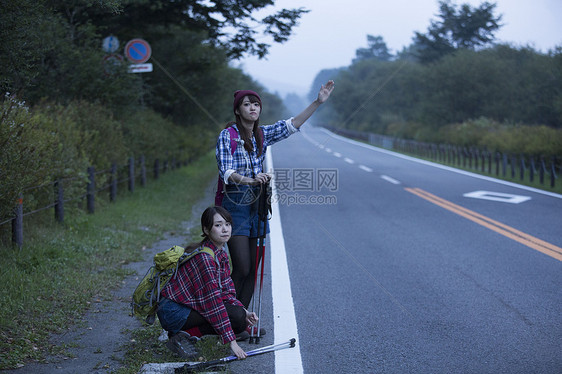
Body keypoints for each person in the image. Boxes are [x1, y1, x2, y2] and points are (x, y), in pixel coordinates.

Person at [216, 81, 335, 312]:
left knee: (253, 270)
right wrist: (250, 180)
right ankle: (222, 318)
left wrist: (317, 103)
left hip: (258, 205)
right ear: (237, 110)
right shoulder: (227, 136)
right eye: (247, 104)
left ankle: (239, 322)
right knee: (241, 267)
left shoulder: (261, 134)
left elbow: (290, 125)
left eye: (256, 104)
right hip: (235, 205)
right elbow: (226, 172)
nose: (253, 108)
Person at [156, 206, 258, 359]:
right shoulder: (205, 258)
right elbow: (213, 304)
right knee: (233, 316)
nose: (225, 229)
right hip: (173, 311)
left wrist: (245, 312)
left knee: (239, 318)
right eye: (218, 225)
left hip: (186, 306)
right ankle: (179, 337)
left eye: (227, 224)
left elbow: (226, 292)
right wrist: (231, 341)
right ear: (206, 229)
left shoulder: (220, 253)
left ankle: (184, 334)